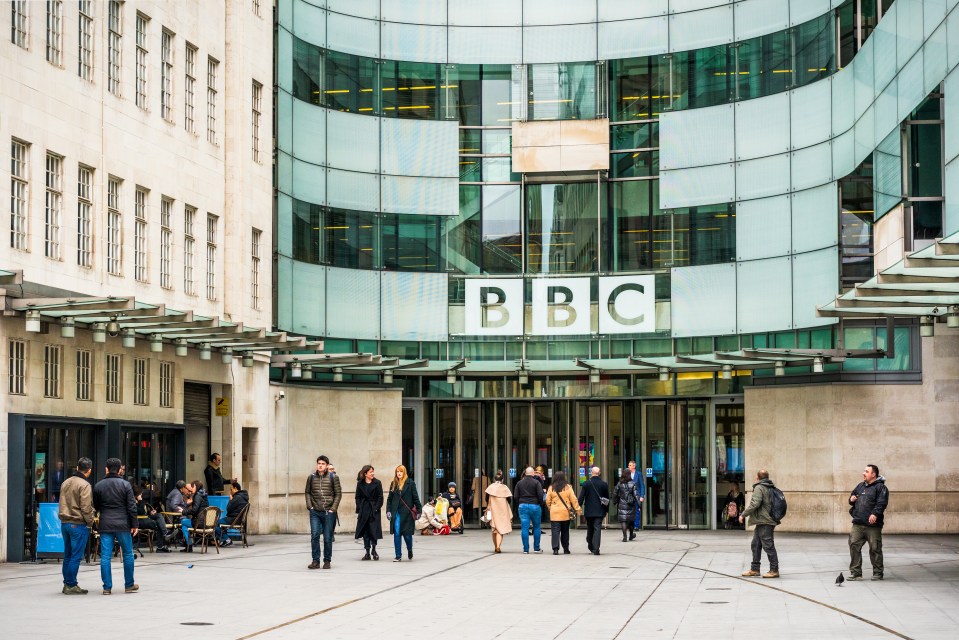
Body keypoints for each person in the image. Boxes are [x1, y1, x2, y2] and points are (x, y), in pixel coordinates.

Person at [92, 458, 138, 595]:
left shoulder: (98, 486)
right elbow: (131, 507)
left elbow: (96, 506)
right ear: (119, 470)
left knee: (106, 556)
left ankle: (107, 587)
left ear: (106, 469)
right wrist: (134, 524)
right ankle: (129, 585)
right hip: (123, 524)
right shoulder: (125, 485)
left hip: (106, 523)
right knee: (128, 554)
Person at [58, 457, 95, 594]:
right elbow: (86, 507)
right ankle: (71, 584)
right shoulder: (84, 485)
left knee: (67, 555)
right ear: (89, 470)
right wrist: (90, 522)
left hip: (65, 523)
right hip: (78, 524)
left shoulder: (66, 482)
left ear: (78, 467)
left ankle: (67, 583)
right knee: (76, 556)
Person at [848, 464, 889, 581]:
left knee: (875, 548)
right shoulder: (860, 486)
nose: (863, 473)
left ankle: (878, 573)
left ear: (873, 474)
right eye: (864, 471)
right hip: (858, 523)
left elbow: (881, 503)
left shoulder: (881, 488)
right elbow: (852, 496)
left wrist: (875, 514)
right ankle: (856, 573)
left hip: (873, 526)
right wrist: (851, 499)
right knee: (853, 545)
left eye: (866, 471)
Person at [739, 469, 780, 579]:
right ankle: (755, 569)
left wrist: (743, 515)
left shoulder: (759, 487)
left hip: (765, 520)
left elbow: (755, 504)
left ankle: (774, 570)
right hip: (763, 521)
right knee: (755, 544)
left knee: (768, 545)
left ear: (758, 477)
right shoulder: (770, 486)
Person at [305, 455, 342, 570]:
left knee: (327, 537)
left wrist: (333, 509)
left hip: (328, 512)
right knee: (315, 535)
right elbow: (307, 492)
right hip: (315, 512)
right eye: (319, 463)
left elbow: (338, 494)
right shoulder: (311, 477)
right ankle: (315, 561)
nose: (320, 465)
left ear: (326, 466)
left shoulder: (333, 477)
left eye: (322, 464)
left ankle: (327, 560)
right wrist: (310, 506)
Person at [386, 465, 422, 561]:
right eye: (397, 471)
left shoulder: (410, 483)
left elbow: (416, 498)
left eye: (401, 471)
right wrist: (388, 511)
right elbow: (389, 499)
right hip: (396, 512)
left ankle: (409, 549)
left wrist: (419, 511)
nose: (399, 473)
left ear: (404, 472)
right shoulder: (393, 484)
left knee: (407, 535)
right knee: (397, 533)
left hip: (407, 514)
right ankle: (398, 555)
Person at [544, 470, 581, 555]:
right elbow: (573, 499)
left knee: (555, 531)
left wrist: (551, 508)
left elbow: (547, 500)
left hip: (554, 512)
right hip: (565, 512)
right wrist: (577, 508)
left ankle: (555, 549)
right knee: (565, 531)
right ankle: (566, 548)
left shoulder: (551, 487)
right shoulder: (568, 487)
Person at [354, 465, 383, 561]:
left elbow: (380, 497)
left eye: (373, 471)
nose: (372, 473)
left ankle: (374, 550)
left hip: (374, 509)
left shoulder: (377, 483)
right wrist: (360, 507)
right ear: (365, 473)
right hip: (364, 509)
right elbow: (357, 497)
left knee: (373, 530)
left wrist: (376, 508)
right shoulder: (360, 484)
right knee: (365, 531)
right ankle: (367, 552)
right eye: (370, 472)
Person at [579, 466, 610, 555]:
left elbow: (581, 497)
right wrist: (606, 510)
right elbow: (607, 499)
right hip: (600, 510)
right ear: (599, 473)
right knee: (597, 529)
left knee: (590, 528)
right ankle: (596, 548)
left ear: (591, 473)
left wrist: (579, 507)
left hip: (589, 510)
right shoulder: (604, 484)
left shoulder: (586, 484)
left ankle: (590, 544)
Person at [515, 467, 544, 554]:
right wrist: (539, 503)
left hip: (523, 506)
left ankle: (526, 549)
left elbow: (516, 496)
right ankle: (536, 548)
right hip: (535, 506)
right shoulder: (536, 482)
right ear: (533, 474)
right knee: (536, 527)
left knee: (524, 528)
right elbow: (540, 495)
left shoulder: (519, 483)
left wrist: (520, 503)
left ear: (525, 473)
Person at [133, 484, 171, 552]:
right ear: (137, 495)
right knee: (159, 524)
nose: (141, 495)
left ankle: (165, 533)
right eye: (140, 494)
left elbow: (143, 512)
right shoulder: (132, 501)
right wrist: (140, 501)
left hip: (144, 518)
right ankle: (161, 546)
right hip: (138, 521)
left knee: (158, 515)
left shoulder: (138, 500)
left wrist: (150, 512)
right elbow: (140, 511)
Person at [484, 470, 512, 553]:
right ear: (502, 480)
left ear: (494, 479)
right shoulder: (505, 487)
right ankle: (498, 546)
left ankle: (495, 546)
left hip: (493, 509)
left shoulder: (490, 487)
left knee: (494, 529)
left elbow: (486, 498)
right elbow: (509, 500)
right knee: (501, 529)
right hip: (503, 510)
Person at [217, 480, 249, 547]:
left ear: (235, 488)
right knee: (219, 523)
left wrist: (230, 500)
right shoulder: (244, 497)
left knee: (215, 523)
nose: (230, 491)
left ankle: (226, 539)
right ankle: (224, 539)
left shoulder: (237, 497)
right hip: (238, 520)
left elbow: (228, 509)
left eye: (231, 489)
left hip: (233, 520)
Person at [179, 480, 208, 553]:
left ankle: (189, 545)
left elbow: (194, 510)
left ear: (195, 486)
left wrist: (183, 511)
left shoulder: (197, 496)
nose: (191, 489)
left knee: (183, 522)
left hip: (199, 523)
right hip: (205, 522)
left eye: (192, 487)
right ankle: (189, 545)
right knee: (184, 526)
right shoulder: (204, 495)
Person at [612, 469, 638, 542]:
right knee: (631, 520)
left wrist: (615, 501)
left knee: (623, 520)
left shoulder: (619, 483)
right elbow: (636, 495)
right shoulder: (633, 483)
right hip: (631, 504)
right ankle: (631, 535)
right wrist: (639, 504)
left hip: (622, 503)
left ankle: (624, 537)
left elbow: (615, 493)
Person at [627, 461, 646, 537]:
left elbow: (642, 485)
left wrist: (642, 496)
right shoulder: (627, 474)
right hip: (629, 495)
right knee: (629, 511)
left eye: (630, 465)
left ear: (634, 466)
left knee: (637, 511)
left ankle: (636, 526)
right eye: (628, 465)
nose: (629, 466)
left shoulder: (638, 474)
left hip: (637, 495)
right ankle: (629, 525)